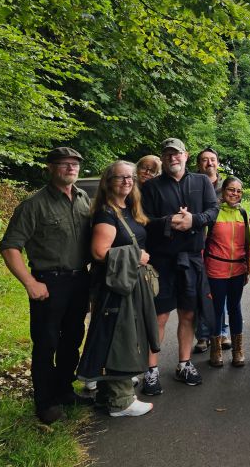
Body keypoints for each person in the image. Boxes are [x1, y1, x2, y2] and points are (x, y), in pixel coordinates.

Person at [0, 147, 92, 424]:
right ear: (50, 168)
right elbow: (10, 247)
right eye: (64, 164)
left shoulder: (84, 198)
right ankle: (45, 402)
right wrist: (30, 282)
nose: (70, 168)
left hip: (79, 280)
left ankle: (64, 390)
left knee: (73, 338)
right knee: (46, 343)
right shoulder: (33, 205)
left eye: (74, 164)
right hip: (48, 283)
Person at [140, 138, 219, 395]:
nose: (173, 158)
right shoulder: (151, 187)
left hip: (192, 259)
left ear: (186, 156)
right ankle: (151, 370)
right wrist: (169, 221)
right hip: (162, 260)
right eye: (168, 154)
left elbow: (213, 209)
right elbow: (144, 220)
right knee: (159, 316)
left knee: (188, 314)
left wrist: (194, 220)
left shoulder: (201, 182)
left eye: (177, 154)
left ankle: (183, 364)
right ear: (162, 159)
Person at [83, 160, 157, 417]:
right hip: (114, 286)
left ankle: (108, 397)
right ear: (108, 182)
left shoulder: (127, 209)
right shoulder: (106, 213)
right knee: (119, 338)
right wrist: (137, 256)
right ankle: (122, 401)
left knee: (122, 334)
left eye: (130, 177)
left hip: (126, 283)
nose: (127, 181)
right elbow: (98, 252)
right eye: (120, 177)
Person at [205, 176, 250, 368]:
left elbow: (248, 244)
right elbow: (203, 244)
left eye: (239, 191)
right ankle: (215, 350)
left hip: (238, 270)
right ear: (223, 192)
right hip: (216, 268)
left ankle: (237, 350)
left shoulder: (242, 212)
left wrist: (248, 268)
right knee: (216, 309)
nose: (235, 194)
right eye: (231, 190)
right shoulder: (214, 213)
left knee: (235, 308)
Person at [194, 147, 228, 354]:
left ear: (218, 163)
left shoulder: (226, 186)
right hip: (198, 246)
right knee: (200, 291)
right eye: (205, 160)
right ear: (199, 164)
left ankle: (222, 331)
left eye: (212, 160)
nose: (209, 163)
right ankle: (203, 335)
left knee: (220, 291)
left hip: (221, 247)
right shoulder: (193, 185)